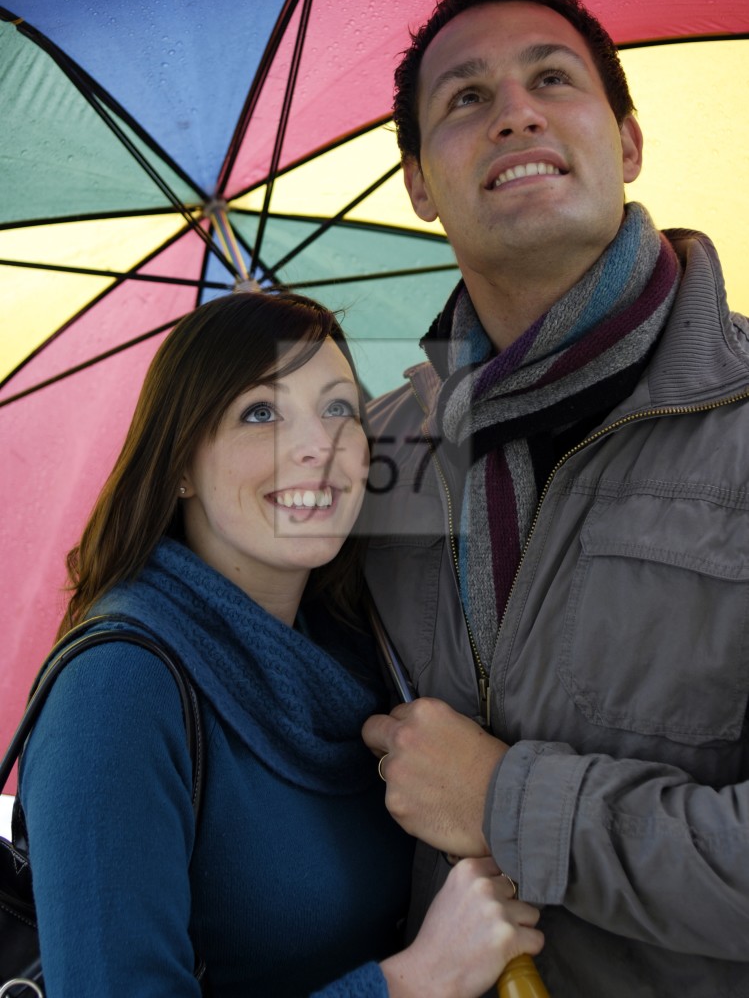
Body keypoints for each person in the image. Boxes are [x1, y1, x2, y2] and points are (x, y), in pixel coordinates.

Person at [360, 0, 749, 996]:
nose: (514, 115)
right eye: (466, 99)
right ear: (417, 183)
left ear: (623, 141)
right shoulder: (372, 457)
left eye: (552, 80)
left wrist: (503, 802)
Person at [17, 288, 543, 997]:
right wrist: (415, 980)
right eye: (260, 413)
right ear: (177, 468)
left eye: (337, 409)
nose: (315, 447)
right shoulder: (116, 690)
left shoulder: (364, 650)